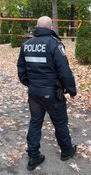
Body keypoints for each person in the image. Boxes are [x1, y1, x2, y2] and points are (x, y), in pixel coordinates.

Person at [17, 16, 77, 171]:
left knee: (35, 122)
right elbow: (64, 71)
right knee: (60, 122)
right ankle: (66, 151)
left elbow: (21, 70)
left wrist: (31, 85)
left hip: (34, 93)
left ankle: (33, 156)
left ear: (37, 27)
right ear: (51, 28)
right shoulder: (54, 44)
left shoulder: (26, 45)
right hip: (51, 93)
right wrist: (72, 91)